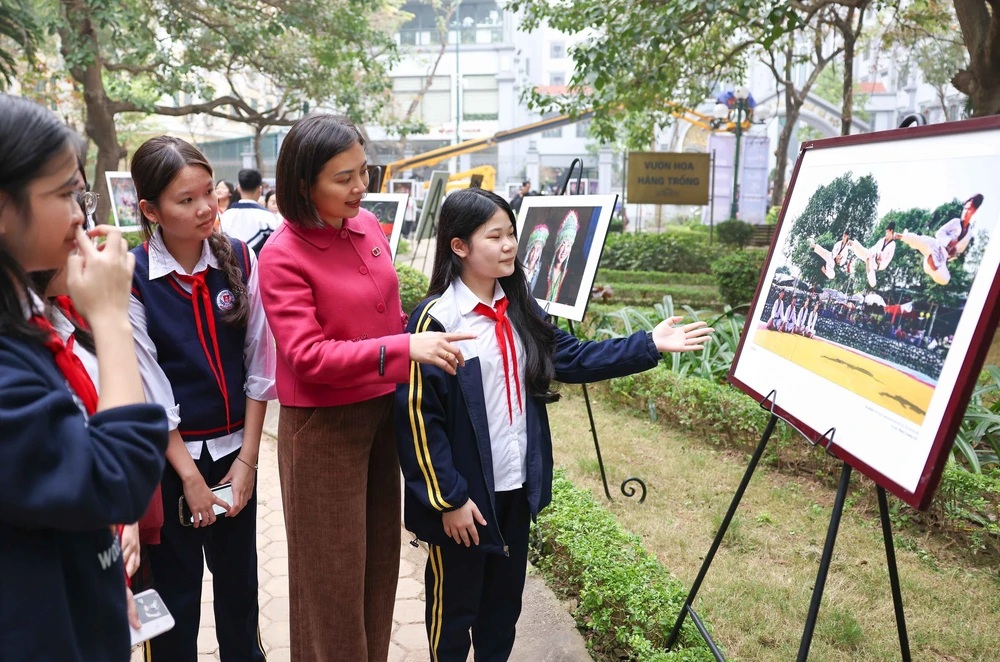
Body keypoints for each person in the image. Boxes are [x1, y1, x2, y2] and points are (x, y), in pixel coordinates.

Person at [395, 188, 713, 662]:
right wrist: (449, 499)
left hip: (515, 490)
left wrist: (649, 343)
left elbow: (575, 357)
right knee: (455, 610)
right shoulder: (436, 320)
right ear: (458, 246)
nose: (509, 246)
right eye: (495, 236)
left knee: (503, 610)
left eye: (511, 235)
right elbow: (420, 422)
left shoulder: (520, 309)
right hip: (465, 500)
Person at [256, 113, 476, 662]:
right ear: (303, 185)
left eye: (364, 171)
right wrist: (403, 350)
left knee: (378, 568)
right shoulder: (282, 254)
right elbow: (306, 357)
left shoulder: (368, 228)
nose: (362, 187)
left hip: (382, 415)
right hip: (323, 430)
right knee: (329, 580)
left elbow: (391, 313)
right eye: (343, 178)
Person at [0, 93, 168, 661]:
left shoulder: (30, 318)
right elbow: (115, 476)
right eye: (66, 194)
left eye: (83, 194)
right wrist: (112, 316)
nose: (81, 215)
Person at [128, 136, 276, 661]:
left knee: (240, 600)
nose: (205, 208)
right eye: (185, 200)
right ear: (150, 210)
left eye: (208, 192)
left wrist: (248, 463)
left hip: (236, 457)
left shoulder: (238, 257)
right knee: (175, 608)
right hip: (171, 466)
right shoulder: (135, 277)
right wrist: (190, 480)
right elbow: (149, 389)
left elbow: (260, 366)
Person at [894, 194, 983, 286]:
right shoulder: (955, 222)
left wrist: (953, 253)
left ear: (974, 211)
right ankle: (901, 236)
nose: (966, 211)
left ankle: (932, 264)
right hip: (936, 245)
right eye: (965, 208)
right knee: (920, 240)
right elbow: (939, 233)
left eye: (969, 209)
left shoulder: (968, 234)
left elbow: (959, 252)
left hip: (942, 257)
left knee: (945, 279)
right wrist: (949, 241)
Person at [221, 168, 279, 254]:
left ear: (239, 188)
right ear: (259, 189)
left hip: (232, 265)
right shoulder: (269, 217)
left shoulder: (225, 216)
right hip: (260, 266)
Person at [847, 223, 897, 288]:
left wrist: (880, 261)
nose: (886, 234)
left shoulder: (892, 245)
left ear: (891, 231)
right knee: (862, 251)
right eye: (886, 232)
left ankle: (868, 266)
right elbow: (874, 248)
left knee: (873, 284)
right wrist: (872, 254)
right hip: (871, 256)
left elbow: (888, 259)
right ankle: (851, 243)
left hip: (877, 264)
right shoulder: (882, 240)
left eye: (887, 232)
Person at [545, 211, 579, 302]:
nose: (564, 250)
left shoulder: (571, 275)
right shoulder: (543, 270)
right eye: (563, 244)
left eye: (568, 246)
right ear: (557, 246)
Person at [522, 224, 549, 294]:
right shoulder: (518, 267)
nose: (534, 254)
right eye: (533, 249)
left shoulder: (541, 273)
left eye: (538, 250)